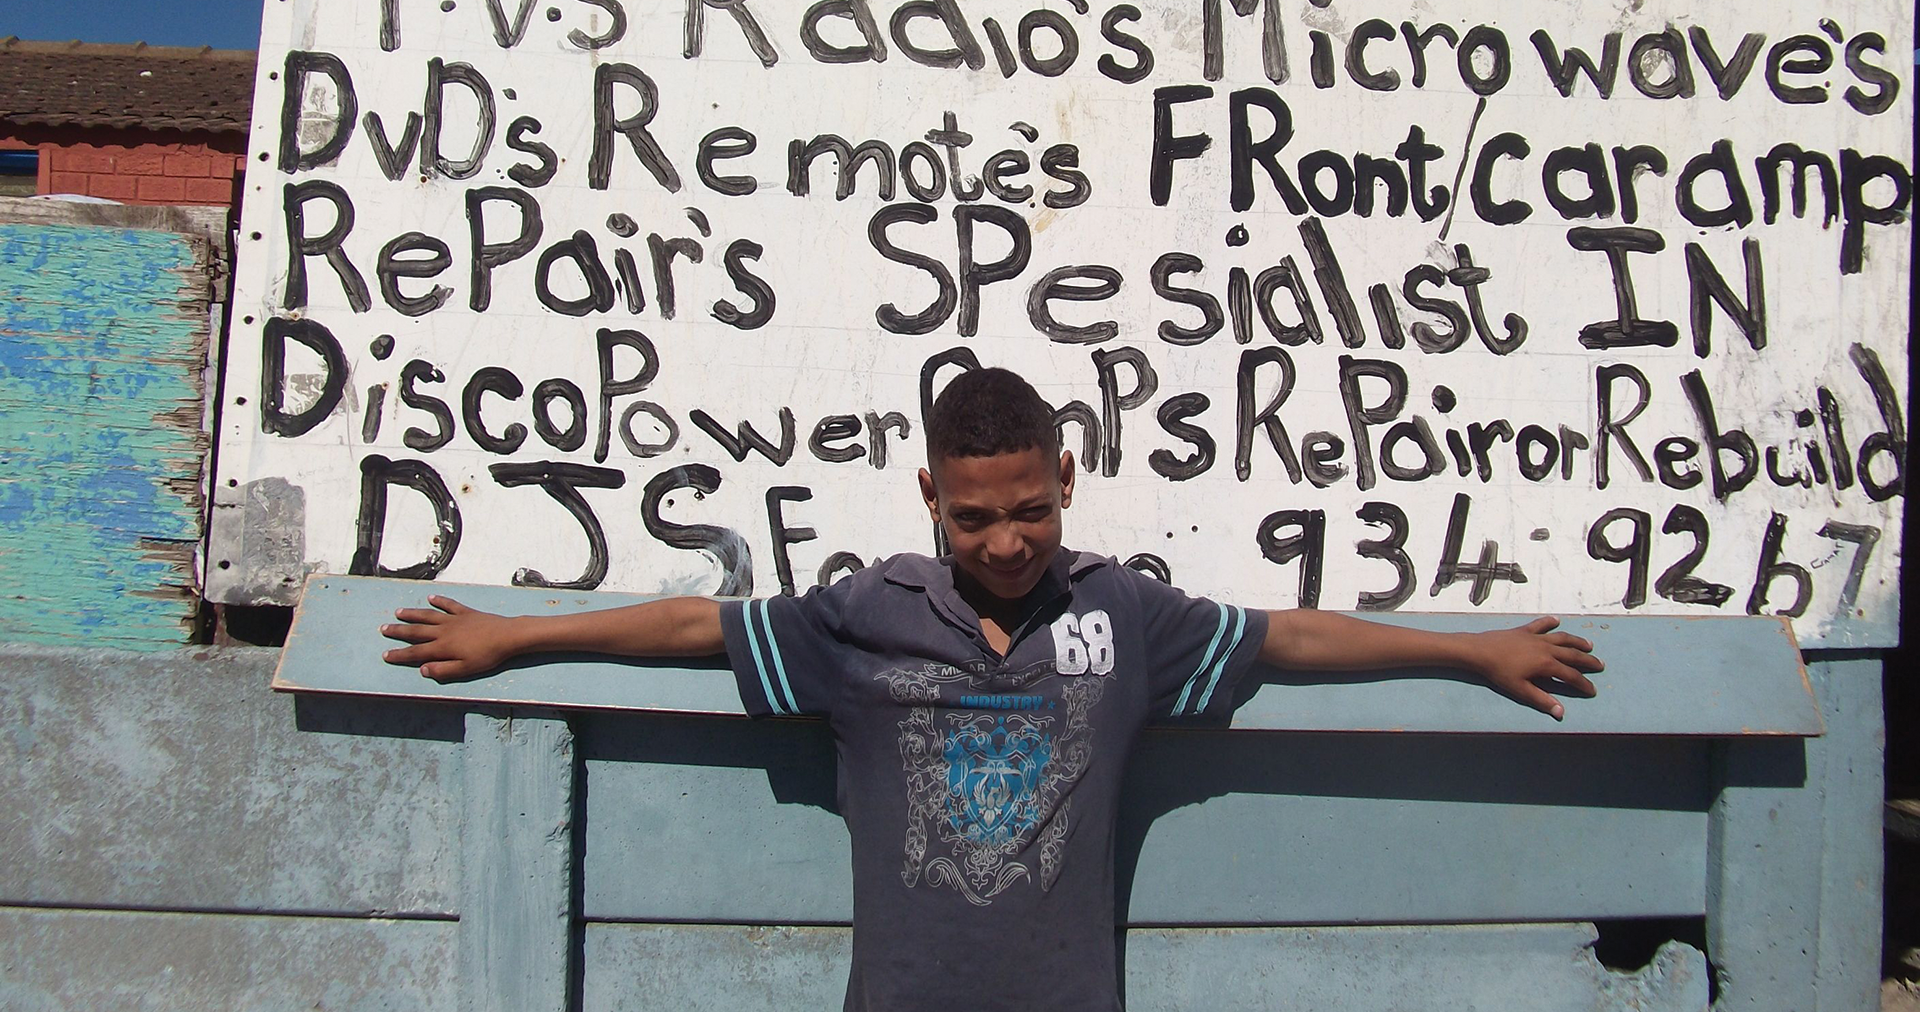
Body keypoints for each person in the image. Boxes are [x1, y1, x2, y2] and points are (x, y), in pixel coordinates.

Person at [382, 366, 1602, 1012]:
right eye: (976, 517)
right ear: (928, 494)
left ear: (1067, 479)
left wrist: (1473, 650)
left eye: (1032, 508)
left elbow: (1292, 638)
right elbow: (699, 622)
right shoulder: (863, 616)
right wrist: (515, 636)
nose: (1009, 540)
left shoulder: (1127, 617)